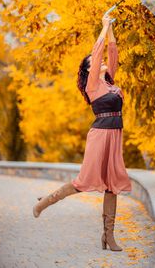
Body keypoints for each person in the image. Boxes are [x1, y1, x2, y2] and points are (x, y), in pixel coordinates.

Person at [33, 14, 132, 251]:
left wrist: (110, 29)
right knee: (84, 181)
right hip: (100, 136)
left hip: (115, 135)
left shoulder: (109, 82)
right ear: (90, 69)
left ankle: (108, 236)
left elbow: (112, 53)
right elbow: (98, 54)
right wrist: (103, 26)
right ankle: (44, 203)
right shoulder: (92, 86)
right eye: (95, 62)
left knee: (112, 184)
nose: (101, 63)